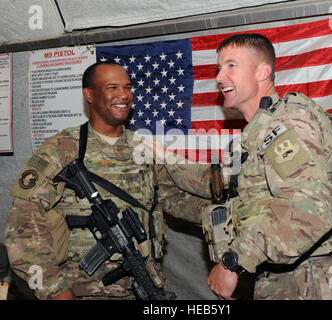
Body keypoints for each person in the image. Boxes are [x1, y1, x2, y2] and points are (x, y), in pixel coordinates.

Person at [153, 33, 332, 300]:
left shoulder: (286, 124)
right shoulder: (255, 136)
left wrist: (233, 262)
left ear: (263, 72)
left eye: (231, 65)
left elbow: (308, 212)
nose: (218, 77)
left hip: (306, 283)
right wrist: (162, 157)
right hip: (283, 279)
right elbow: (216, 185)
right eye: (218, 68)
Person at [5, 61, 196, 300]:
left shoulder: (144, 147)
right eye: (112, 87)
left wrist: (227, 213)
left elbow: (173, 199)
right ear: (89, 95)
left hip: (145, 286)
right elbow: (23, 221)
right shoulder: (64, 147)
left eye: (127, 87)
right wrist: (53, 289)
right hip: (83, 291)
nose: (123, 95)